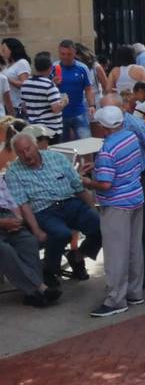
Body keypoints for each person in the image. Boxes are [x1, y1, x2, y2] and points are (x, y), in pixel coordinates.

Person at [5, 130, 101, 286]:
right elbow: (23, 204)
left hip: (70, 203)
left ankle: (78, 255)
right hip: (44, 211)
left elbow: (78, 186)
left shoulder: (56, 158)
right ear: (16, 154)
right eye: (21, 152)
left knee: (100, 224)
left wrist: (93, 208)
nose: (26, 155)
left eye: (28, 149)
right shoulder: (14, 172)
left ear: (35, 146)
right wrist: (36, 230)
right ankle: (49, 270)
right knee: (60, 234)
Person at [89, 105, 145, 317]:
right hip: (135, 197)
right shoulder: (131, 137)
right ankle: (134, 292)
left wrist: (87, 181)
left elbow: (105, 184)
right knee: (133, 248)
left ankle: (115, 300)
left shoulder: (107, 150)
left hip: (116, 204)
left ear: (104, 127)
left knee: (115, 254)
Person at [0, 125, 63, 307]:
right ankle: (40, 289)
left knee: (28, 241)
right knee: (5, 250)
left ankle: (32, 293)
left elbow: (9, 196)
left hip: (6, 215)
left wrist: (17, 217)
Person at [20, 52, 68, 142]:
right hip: (51, 131)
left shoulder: (25, 84)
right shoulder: (49, 85)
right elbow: (56, 109)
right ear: (50, 68)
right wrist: (65, 101)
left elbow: (25, 108)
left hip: (33, 129)